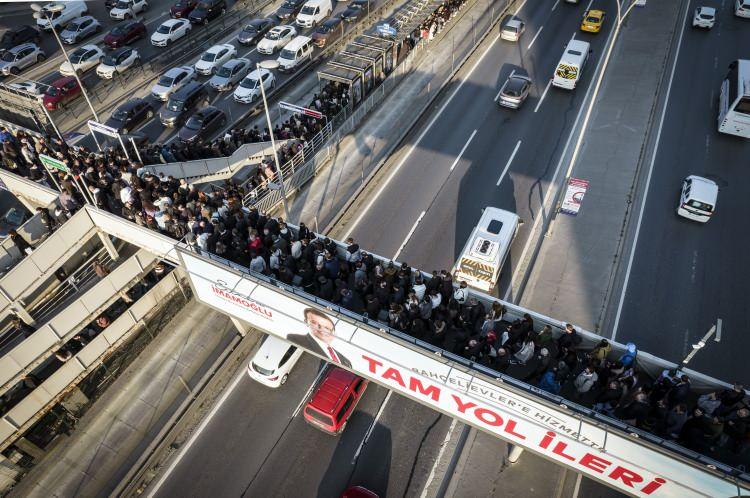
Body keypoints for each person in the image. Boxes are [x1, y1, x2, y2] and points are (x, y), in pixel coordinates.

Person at [286, 307, 351, 368]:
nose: (321, 329)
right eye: (315, 323)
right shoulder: (297, 340)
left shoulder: (346, 361)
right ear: (306, 322)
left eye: (327, 328)